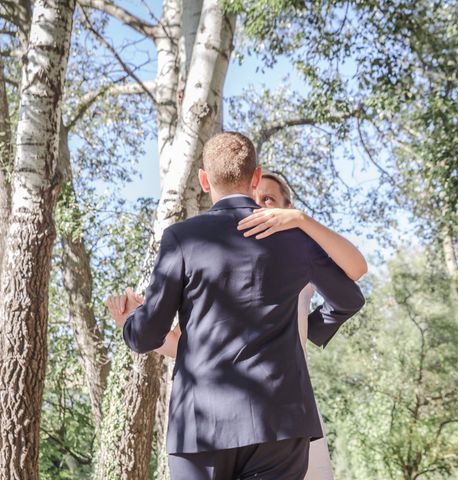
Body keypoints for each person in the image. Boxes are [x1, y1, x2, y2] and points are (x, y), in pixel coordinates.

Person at [105, 132, 365, 480]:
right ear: (255, 178)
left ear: (203, 179)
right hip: (281, 423)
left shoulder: (182, 238)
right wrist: (308, 330)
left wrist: (131, 319)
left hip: (200, 427)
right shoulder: (293, 237)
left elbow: (147, 335)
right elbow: (350, 296)